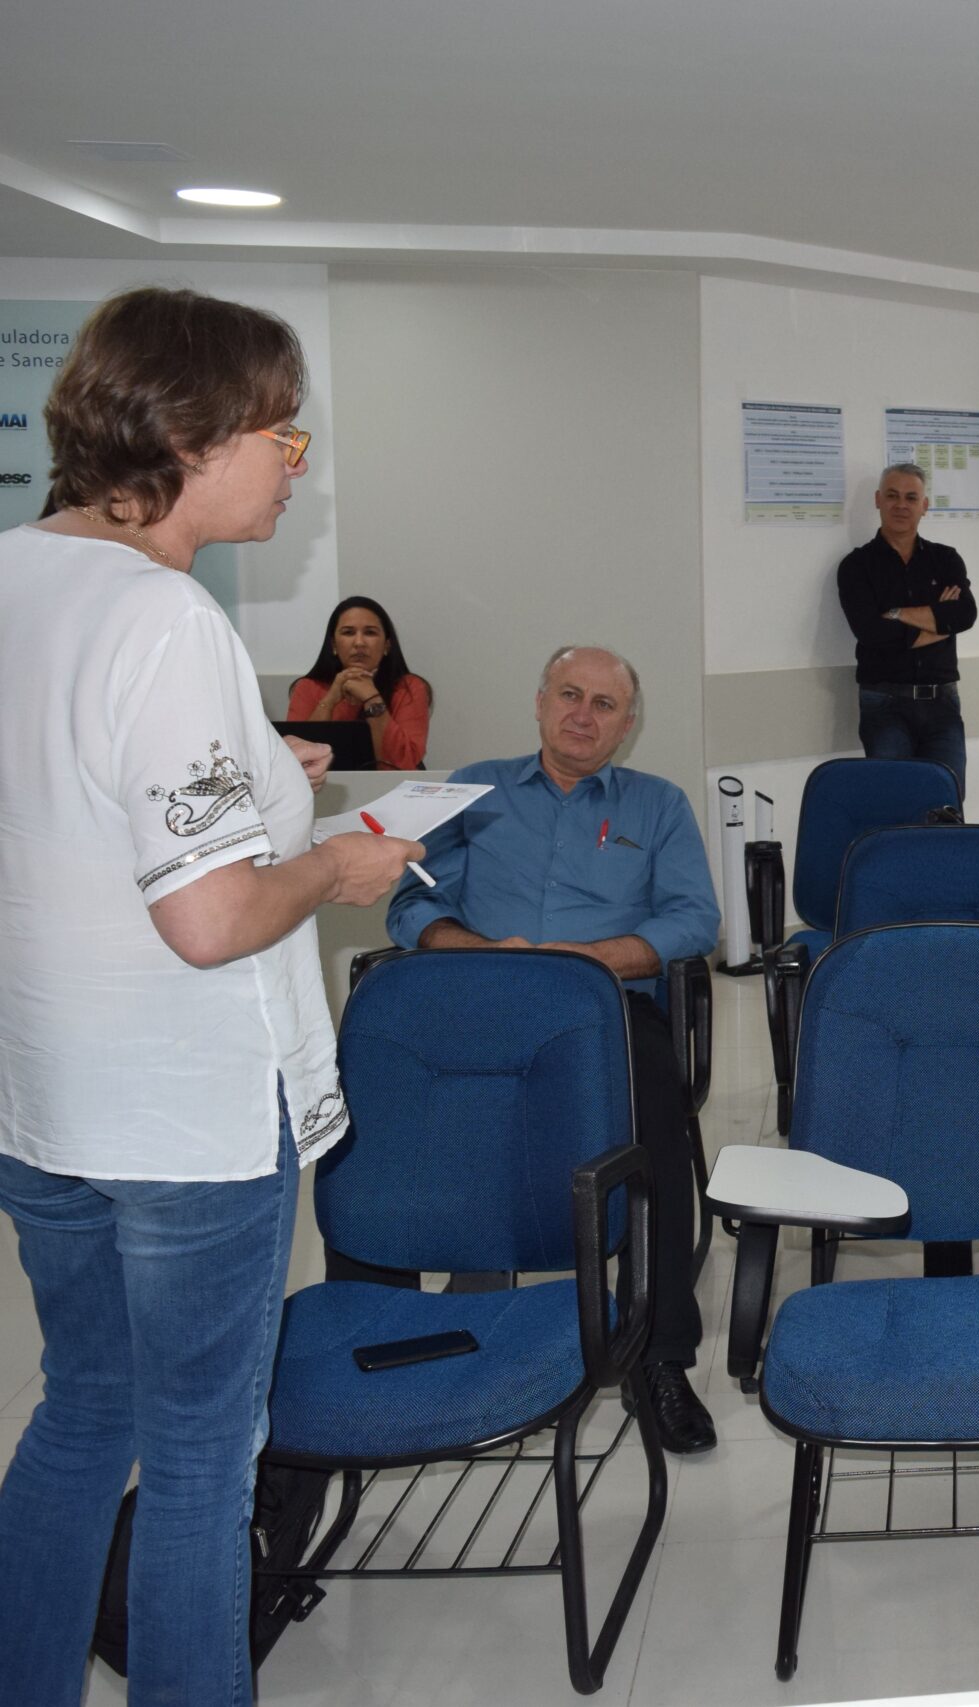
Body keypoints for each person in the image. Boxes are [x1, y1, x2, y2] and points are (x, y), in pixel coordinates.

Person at [0, 286, 421, 1707]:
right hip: (185, 1117)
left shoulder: (12, 576)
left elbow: (71, 801)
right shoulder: (162, 615)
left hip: (46, 1104)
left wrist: (262, 774)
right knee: (195, 1455)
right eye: (280, 436)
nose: (293, 466)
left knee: (78, 1413)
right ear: (190, 433)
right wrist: (331, 869)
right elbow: (211, 916)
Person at [386, 645, 722, 1454]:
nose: (584, 714)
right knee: (375, 1124)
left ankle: (661, 1356)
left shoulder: (659, 804)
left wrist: (597, 959)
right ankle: (402, 1341)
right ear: (539, 702)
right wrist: (472, 949)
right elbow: (406, 905)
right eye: (570, 694)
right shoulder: (470, 791)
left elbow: (693, 920)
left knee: (659, 1124)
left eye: (605, 704)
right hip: (481, 1004)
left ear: (628, 725)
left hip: (604, 1009)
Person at [837, 462, 976, 795]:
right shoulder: (856, 566)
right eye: (892, 495)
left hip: (942, 702)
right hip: (884, 704)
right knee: (893, 804)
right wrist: (937, 623)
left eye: (911, 497)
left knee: (947, 805)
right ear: (878, 500)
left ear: (924, 506)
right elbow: (871, 633)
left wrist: (897, 614)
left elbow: (965, 615)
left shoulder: (945, 560)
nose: (901, 505)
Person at [287, 594, 434, 768]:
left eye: (370, 633)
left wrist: (371, 698)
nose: (359, 642)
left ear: (387, 645)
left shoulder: (409, 687)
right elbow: (298, 762)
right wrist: (330, 700)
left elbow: (403, 763)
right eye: (348, 633)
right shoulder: (308, 687)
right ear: (334, 645)